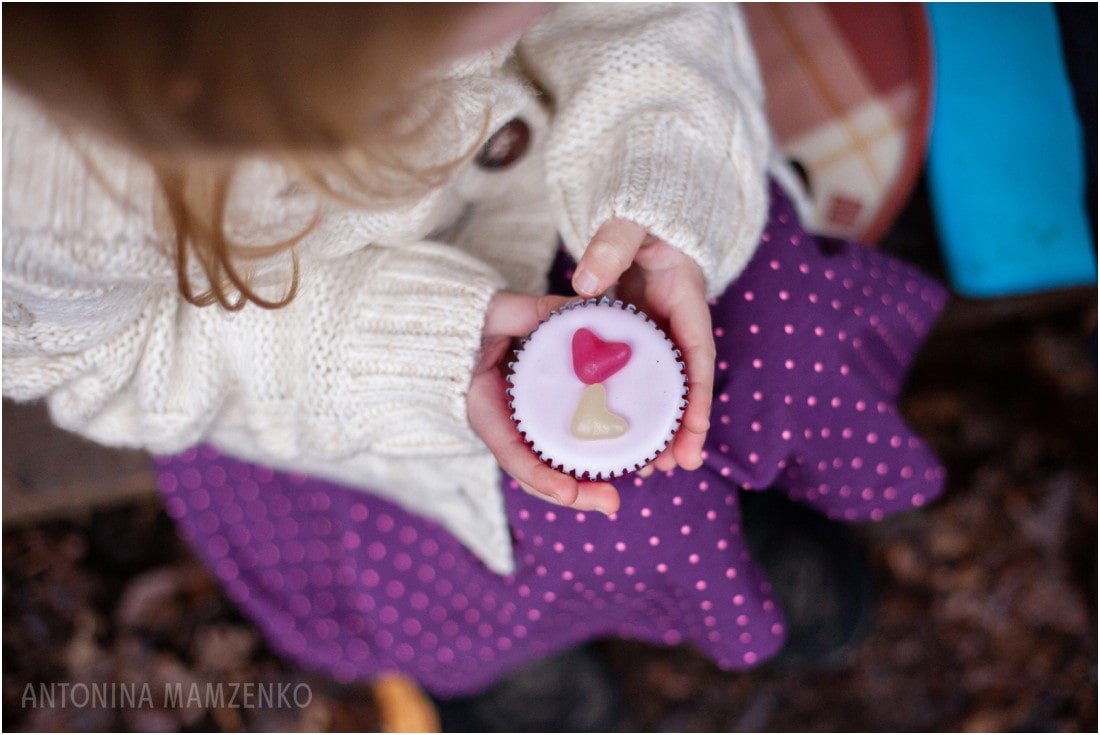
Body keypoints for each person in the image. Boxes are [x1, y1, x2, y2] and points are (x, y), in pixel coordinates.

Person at [3, 4, 948, 730]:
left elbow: (641, 16)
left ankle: (746, 510)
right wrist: (411, 347)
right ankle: (502, 657)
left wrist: (660, 166)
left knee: (741, 386)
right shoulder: (46, 181)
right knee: (488, 580)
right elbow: (108, 354)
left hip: (600, 206)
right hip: (338, 385)